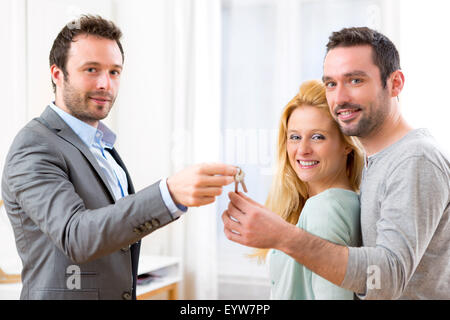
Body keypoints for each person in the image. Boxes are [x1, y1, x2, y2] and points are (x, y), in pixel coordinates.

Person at [1, 15, 236, 300]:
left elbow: (113, 229)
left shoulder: (102, 146)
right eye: (91, 69)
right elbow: (77, 235)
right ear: (57, 74)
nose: (106, 84)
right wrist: (169, 193)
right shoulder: (34, 146)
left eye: (114, 72)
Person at [222, 27, 450, 300]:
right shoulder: (377, 161)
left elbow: (387, 277)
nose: (339, 97)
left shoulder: (415, 159)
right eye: (331, 83)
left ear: (396, 83)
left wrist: (283, 236)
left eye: (355, 80)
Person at [255, 79, 364, 299]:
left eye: (317, 137)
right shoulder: (342, 202)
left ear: (347, 145)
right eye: (295, 137)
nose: (302, 149)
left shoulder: (325, 209)